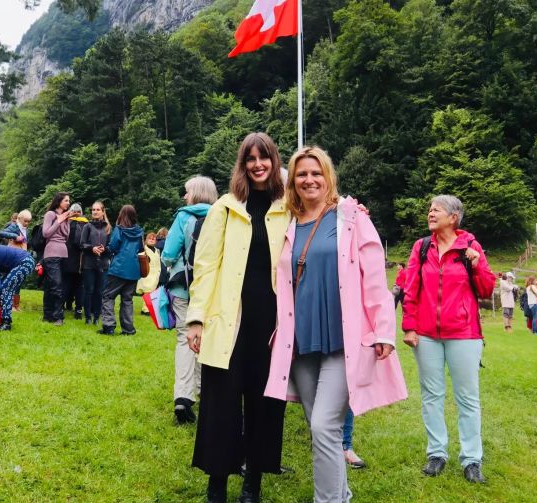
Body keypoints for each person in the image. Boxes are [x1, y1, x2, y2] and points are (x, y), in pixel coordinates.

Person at [264, 146, 407, 501]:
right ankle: (340, 494)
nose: (309, 180)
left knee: (324, 424)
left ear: (328, 177)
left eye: (316, 173)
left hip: (345, 339)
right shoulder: (286, 222)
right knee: (321, 431)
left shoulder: (352, 217)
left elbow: (374, 277)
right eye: (301, 174)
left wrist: (383, 329)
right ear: (292, 182)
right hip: (301, 341)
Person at [185, 132, 290, 503]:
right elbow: (206, 266)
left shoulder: (287, 207)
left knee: (264, 405)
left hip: (271, 324)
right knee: (221, 406)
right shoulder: (225, 208)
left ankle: (253, 486)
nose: (258, 165)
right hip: (227, 321)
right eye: (251, 159)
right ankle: (217, 487)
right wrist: (196, 317)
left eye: (265, 158)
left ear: (275, 162)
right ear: (242, 164)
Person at [401, 195, 496, 484]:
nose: (430, 213)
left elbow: (486, 290)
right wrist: (409, 327)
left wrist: (478, 264)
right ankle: (437, 453)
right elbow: (411, 288)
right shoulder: (422, 247)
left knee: (467, 398)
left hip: (464, 334)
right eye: (429, 209)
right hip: (427, 334)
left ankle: (471, 459)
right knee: (432, 396)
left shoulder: (470, 247)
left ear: (453, 217)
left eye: (436, 210)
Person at [161, 176, 218, 424]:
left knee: (185, 338)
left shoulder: (183, 216)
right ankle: (205, 391)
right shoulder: (221, 215)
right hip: (212, 290)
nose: (184, 197)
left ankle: (183, 397)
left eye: (186, 192)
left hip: (184, 289)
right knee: (208, 340)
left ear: (194, 193)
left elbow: (169, 253)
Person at [99, 205, 144, 336]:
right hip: (133, 270)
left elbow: (113, 247)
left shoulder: (119, 229)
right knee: (127, 299)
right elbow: (141, 250)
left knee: (108, 296)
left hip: (119, 268)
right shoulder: (139, 232)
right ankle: (128, 329)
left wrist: (105, 250)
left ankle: (108, 327)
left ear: (121, 215)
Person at [41, 192, 79, 326]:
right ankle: (58, 317)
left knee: (54, 285)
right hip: (51, 253)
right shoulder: (50, 215)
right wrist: (59, 220)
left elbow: (65, 236)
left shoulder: (67, 218)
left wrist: (65, 219)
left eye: (69, 201)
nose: (68, 203)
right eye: (66, 201)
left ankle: (47, 315)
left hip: (63, 253)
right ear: (59, 201)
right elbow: (46, 233)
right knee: (56, 285)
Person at [79, 201, 111, 325]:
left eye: (98, 210)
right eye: (93, 210)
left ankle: (97, 317)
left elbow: (111, 247)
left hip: (103, 264)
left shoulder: (108, 228)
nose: (95, 212)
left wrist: (105, 249)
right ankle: (87, 317)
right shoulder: (87, 226)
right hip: (89, 263)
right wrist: (92, 248)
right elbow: (82, 244)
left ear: (103, 212)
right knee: (89, 290)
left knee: (100, 292)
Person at [63, 203, 88, 319]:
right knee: (79, 286)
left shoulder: (66, 223)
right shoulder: (87, 224)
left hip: (67, 259)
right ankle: (78, 310)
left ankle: (60, 307)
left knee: (66, 284)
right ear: (81, 212)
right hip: (81, 261)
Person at [137, 232, 161, 316]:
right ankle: (145, 309)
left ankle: (149, 308)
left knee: (152, 292)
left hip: (156, 274)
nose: (151, 240)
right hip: (147, 273)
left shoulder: (157, 250)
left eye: (153, 239)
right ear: (146, 240)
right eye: (149, 238)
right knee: (148, 291)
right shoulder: (143, 249)